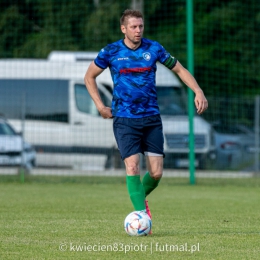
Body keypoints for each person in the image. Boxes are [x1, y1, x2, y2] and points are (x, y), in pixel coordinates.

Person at [84, 9, 208, 233]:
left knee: (157, 173)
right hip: (124, 119)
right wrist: (100, 106)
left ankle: (140, 201)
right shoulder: (111, 51)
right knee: (132, 167)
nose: (138, 30)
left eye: (141, 26)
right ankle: (142, 218)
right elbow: (89, 76)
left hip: (151, 118)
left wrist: (197, 91)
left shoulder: (154, 48)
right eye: (133, 27)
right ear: (124, 28)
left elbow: (179, 69)